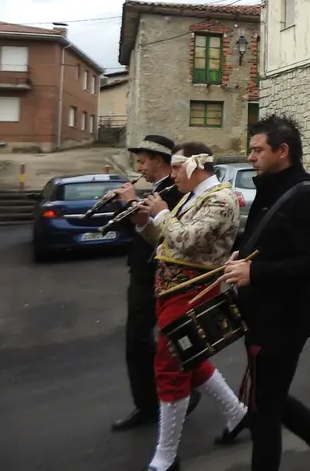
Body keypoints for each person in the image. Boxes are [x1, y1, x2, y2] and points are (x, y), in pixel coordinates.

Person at [219, 116, 310, 471]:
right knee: (270, 400)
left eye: (257, 149)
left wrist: (256, 271)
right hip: (262, 314)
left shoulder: (305, 195)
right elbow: (267, 241)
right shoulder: (269, 185)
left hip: (284, 320)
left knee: (264, 409)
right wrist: (242, 252)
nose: (250, 156)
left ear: (283, 151)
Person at [125, 141, 247, 471]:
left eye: (177, 167)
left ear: (194, 166)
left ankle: (166, 455)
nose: (172, 174)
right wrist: (143, 221)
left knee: (169, 367)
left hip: (193, 292)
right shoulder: (193, 197)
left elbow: (187, 240)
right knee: (189, 360)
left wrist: (162, 212)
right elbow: (165, 242)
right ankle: (237, 413)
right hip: (171, 291)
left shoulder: (222, 199)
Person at [111, 134, 192, 432]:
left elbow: (165, 232)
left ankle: (171, 397)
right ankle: (149, 402)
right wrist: (121, 204)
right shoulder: (157, 189)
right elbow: (135, 226)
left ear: (159, 160)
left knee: (156, 341)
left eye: (143, 160)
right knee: (147, 342)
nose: (140, 166)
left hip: (159, 275)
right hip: (143, 273)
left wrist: (132, 200)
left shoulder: (173, 192)